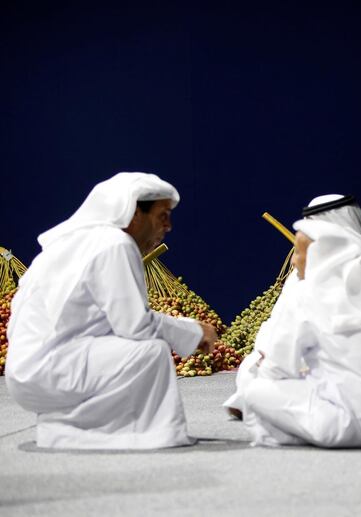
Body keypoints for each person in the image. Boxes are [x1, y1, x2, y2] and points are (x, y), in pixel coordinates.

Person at [5, 172, 218, 449]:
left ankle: (64, 427)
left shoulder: (77, 241)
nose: (169, 226)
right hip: (48, 370)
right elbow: (136, 326)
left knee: (135, 347)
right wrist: (193, 331)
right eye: (162, 215)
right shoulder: (115, 243)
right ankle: (128, 434)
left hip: (30, 372)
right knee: (150, 351)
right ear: (132, 214)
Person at [224, 194, 361, 447]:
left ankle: (282, 428)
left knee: (254, 381)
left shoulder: (305, 286)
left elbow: (278, 362)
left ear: (317, 249)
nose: (294, 259)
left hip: (357, 424)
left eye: (298, 251)